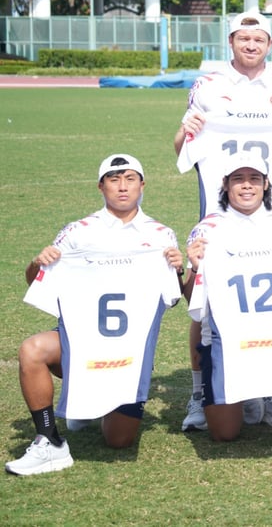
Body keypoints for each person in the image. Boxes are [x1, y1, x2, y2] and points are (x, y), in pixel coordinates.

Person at [174, 10, 272, 433]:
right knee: (207, 308)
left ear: (269, 44)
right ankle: (200, 391)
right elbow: (182, 150)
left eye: (258, 39)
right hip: (218, 216)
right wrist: (185, 130)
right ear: (231, 42)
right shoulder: (207, 86)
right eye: (243, 38)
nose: (251, 45)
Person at [6, 155, 184, 476]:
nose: (122, 187)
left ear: (142, 185)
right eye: (114, 180)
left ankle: (91, 403)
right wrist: (37, 262)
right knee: (33, 349)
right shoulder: (77, 231)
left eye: (130, 179)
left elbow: (170, 300)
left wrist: (178, 270)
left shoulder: (161, 235)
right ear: (101, 187)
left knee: (118, 441)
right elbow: (37, 281)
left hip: (129, 355)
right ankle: (49, 441)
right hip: (84, 342)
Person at [184, 151, 272, 456]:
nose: (246, 185)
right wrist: (195, 269)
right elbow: (192, 301)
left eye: (254, 179)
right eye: (238, 179)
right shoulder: (207, 230)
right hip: (228, 336)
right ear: (225, 185)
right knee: (224, 434)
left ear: (266, 184)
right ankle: (249, 393)